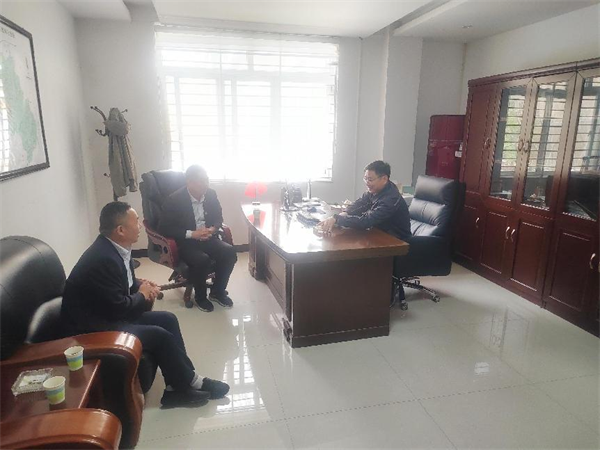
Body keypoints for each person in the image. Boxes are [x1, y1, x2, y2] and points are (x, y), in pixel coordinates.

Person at [61, 201, 230, 409]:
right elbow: (119, 307)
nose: (140, 225)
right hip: (91, 327)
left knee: (168, 319)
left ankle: (179, 386)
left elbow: (122, 285)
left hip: (105, 312)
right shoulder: (103, 258)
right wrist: (142, 295)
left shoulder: (115, 248)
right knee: (159, 335)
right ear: (121, 230)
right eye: (135, 221)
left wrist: (141, 284)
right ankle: (189, 383)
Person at [159, 165, 237, 312]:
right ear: (189, 182)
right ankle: (200, 297)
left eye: (207, 180)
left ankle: (217, 292)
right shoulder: (174, 199)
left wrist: (212, 229)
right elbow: (164, 228)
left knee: (229, 252)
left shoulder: (211, 194)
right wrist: (192, 234)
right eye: (201, 181)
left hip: (208, 238)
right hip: (185, 242)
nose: (206, 184)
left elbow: (218, 218)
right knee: (202, 260)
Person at [317, 160, 411, 241]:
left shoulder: (391, 199)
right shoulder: (375, 190)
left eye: (370, 179)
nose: (367, 183)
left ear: (384, 179)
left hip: (397, 242)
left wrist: (338, 219)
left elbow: (366, 221)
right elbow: (359, 204)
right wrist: (343, 213)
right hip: (378, 234)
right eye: (365, 179)